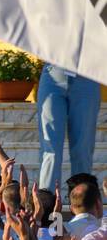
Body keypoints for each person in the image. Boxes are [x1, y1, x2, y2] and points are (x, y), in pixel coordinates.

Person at [35, 63, 101, 192]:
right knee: (50, 149)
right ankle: (48, 203)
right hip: (53, 74)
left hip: (87, 76)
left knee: (82, 149)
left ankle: (82, 204)